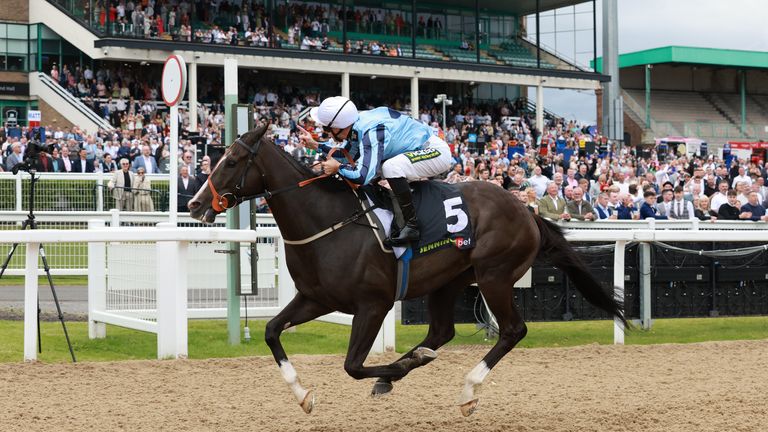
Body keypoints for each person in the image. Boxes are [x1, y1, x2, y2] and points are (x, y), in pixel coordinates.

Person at [301, 96, 452, 246]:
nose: (325, 132)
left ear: (336, 127)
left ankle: (412, 226)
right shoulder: (356, 126)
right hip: (415, 149)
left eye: (326, 128)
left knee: (390, 168)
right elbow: (346, 155)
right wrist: (316, 145)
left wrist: (338, 168)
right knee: (383, 167)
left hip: (435, 151)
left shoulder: (371, 131)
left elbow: (362, 176)